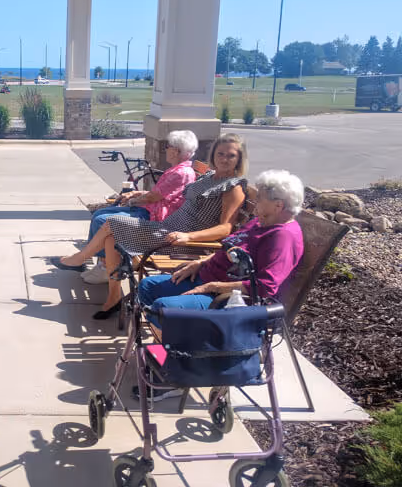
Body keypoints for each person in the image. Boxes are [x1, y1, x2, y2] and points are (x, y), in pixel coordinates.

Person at [134, 169, 305, 401]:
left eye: (261, 197)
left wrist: (213, 286)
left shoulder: (282, 236)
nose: (256, 201)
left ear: (278, 205)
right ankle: (168, 354)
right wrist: (199, 262)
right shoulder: (261, 221)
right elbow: (228, 247)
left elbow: (265, 288)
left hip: (229, 301)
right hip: (208, 279)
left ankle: (176, 375)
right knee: (148, 287)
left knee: (164, 308)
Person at [51, 133, 249, 320]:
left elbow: (226, 228)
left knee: (111, 223)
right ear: (213, 154)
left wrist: (189, 237)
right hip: (165, 228)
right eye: (220, 153)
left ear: (239, 159)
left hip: (179, 240)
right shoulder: (209, 177)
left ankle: (78, 260)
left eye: (231, 156)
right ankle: (113, 297)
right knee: (111, 237)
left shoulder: (233, 188)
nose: (224, 159)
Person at [81, 130, 198, 284]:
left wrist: (132, 201)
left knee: (103, 220)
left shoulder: (181, 173)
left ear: (176, 151)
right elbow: (157, 193)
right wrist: (135, 194)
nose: (166, 150)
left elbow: (153, 197)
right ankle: (102, 263)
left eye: (167, 146)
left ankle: (103, 267)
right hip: (150, 210)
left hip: (157, 219)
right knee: (100, 214)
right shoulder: (178, 170)